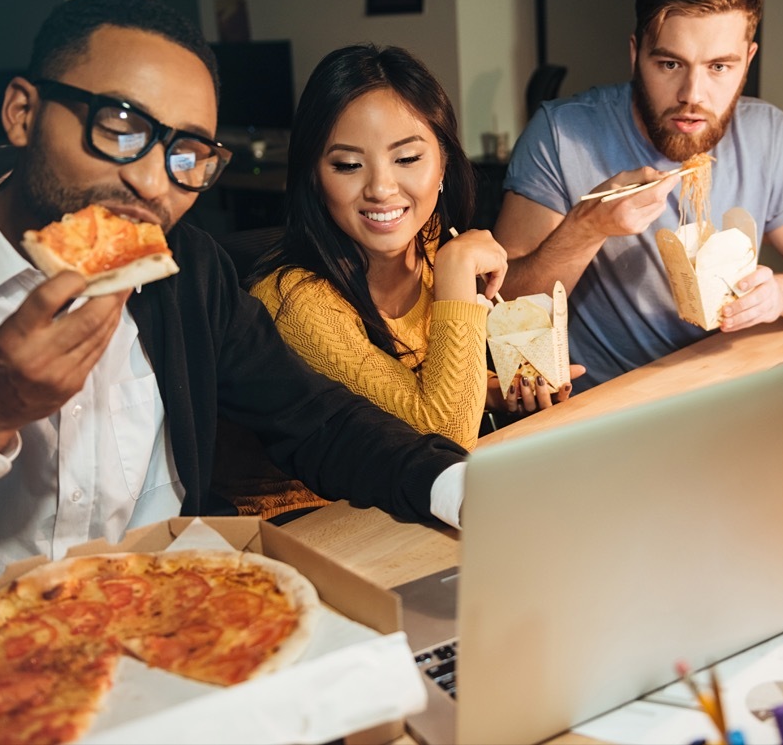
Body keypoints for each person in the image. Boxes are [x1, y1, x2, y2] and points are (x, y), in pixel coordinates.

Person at [0, 0, 470, 638]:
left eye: (187, 154)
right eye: (121, 128)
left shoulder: (189, 270)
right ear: (22, 113)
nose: (153, 184)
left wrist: (459, 488)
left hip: (167, 633)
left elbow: (316, 419)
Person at [493, 0, 783, 391]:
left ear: (748, 60)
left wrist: (781, 294)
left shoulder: (767, 133)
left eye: (719, 67)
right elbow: (506, 310)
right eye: (670, 64)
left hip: (731, 389)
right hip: (612, 406)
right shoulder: (561, 133)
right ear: (636, 54)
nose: (692, 94)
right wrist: (587, 226)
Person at [241, 45, 581, 520]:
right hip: (299, 526)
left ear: (442, 163)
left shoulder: (431, 243)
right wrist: (456, 277)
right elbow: (440, 440)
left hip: (393, 510)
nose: (381, 187)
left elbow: (401, 401)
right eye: (347, 165)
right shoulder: (294, 299)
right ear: (314, 178)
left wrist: (487, 390)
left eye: (406, 158)